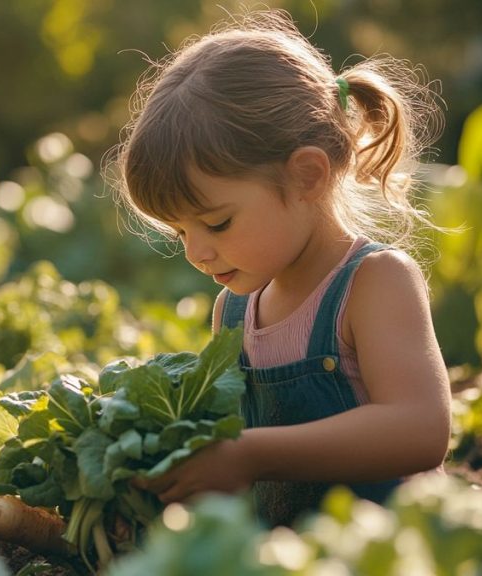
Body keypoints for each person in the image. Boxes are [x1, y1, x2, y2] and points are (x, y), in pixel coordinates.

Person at [114, 11, 451, 526]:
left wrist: (250, 455)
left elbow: (420, 430)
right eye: (180, 232)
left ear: (307, 176)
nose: (195, 252)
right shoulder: (233, 313)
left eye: (218, 223)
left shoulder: (374, 281)